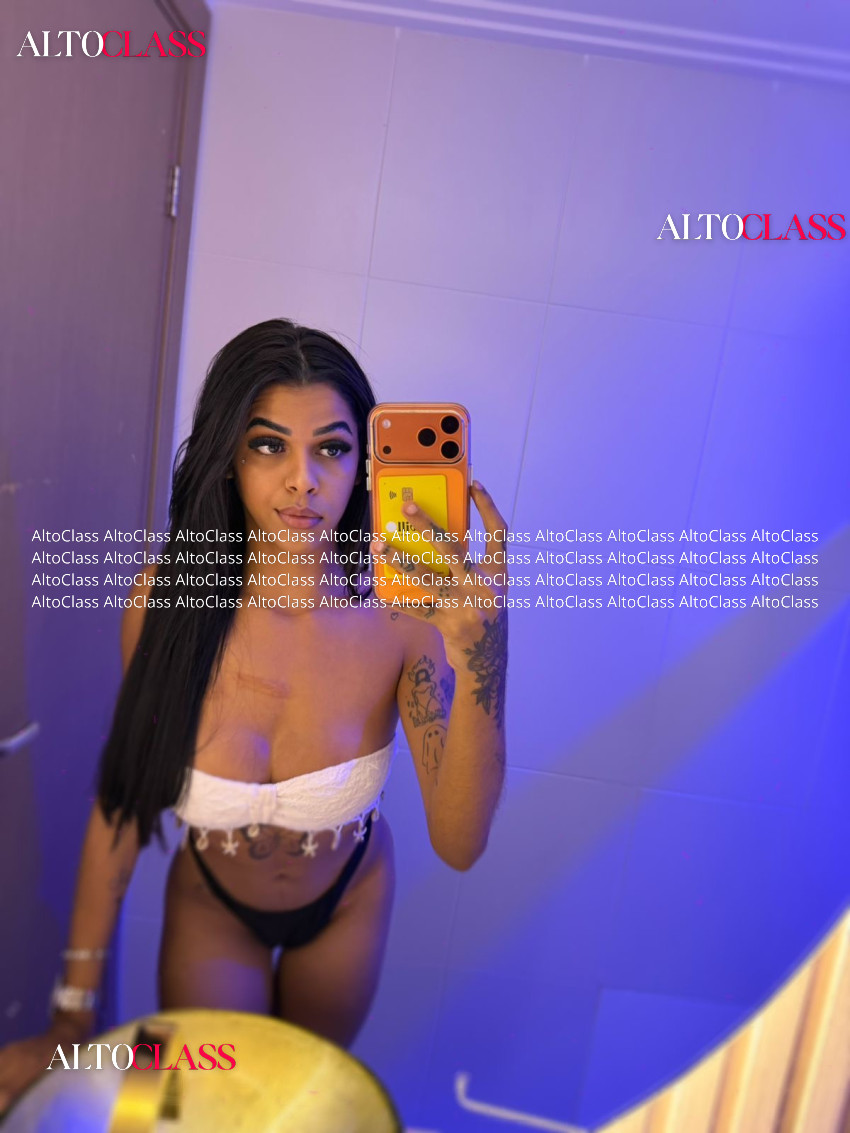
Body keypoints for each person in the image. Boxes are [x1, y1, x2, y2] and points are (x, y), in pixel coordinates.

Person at [0, 318, 509, 1112]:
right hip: (212, 907)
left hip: (345, 905)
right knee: (188, 1106)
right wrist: (72, 1010)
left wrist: (483, 651)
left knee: (291, 1110)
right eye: (270, 444)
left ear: (365, 466)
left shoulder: (405, 618)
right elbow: (123, 801)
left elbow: (461, 844)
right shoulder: (165, 600)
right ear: (228, 457)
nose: (303, 480)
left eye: (332, 448)